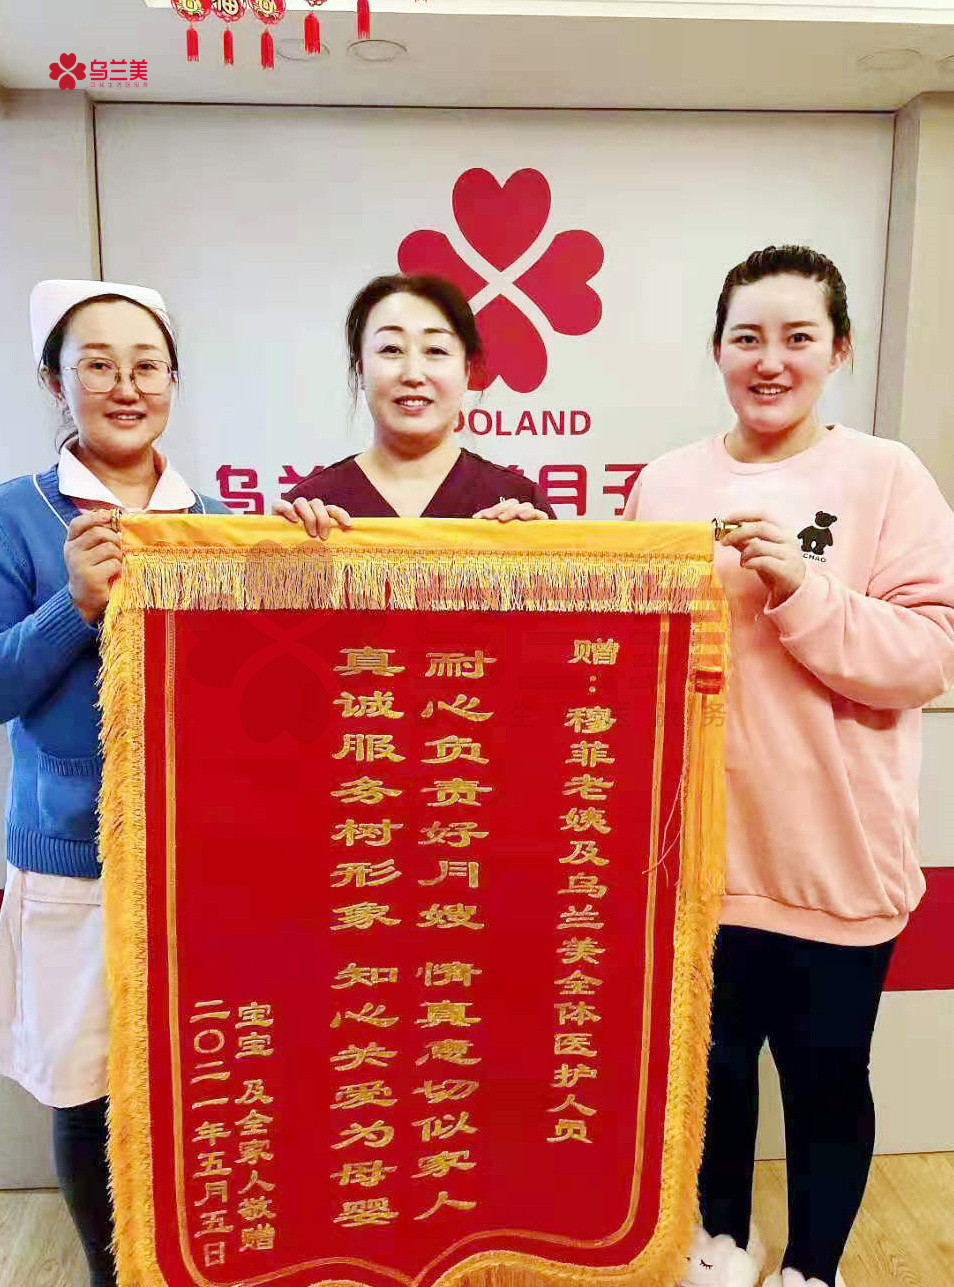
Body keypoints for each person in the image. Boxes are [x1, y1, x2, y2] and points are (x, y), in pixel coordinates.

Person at [624, 246, 954, 1287]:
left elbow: (927, 655)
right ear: (718, 350)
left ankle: (815, 1267)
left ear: (839, 350)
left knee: (826, 1079)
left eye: (798, 337)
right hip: (696, 859)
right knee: (709, 1076)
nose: (771, 360)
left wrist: (804, 591)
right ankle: (722, 1241)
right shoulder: (665, 483)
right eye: (748, 338)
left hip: (833, 857)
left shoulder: (888, 475)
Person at [0, 280, 227, 1287]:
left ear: (173, 381)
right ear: (56, 381)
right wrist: (75, 605)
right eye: (98, 364)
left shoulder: (214, 522)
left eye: (147, 365)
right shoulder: (19, 513)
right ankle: (108, 1274)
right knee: (87, 1090)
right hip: (73, 859)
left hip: (200, 862)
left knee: (192, 1081)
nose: (126, 386)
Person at [275, 274, 554, 532]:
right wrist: (280, 546)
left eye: (435, 350)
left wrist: (541, 554)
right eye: (391, 349)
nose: (412, 374)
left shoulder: (519, 505)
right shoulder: (310, 510)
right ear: (360, 371)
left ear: (466, 372)